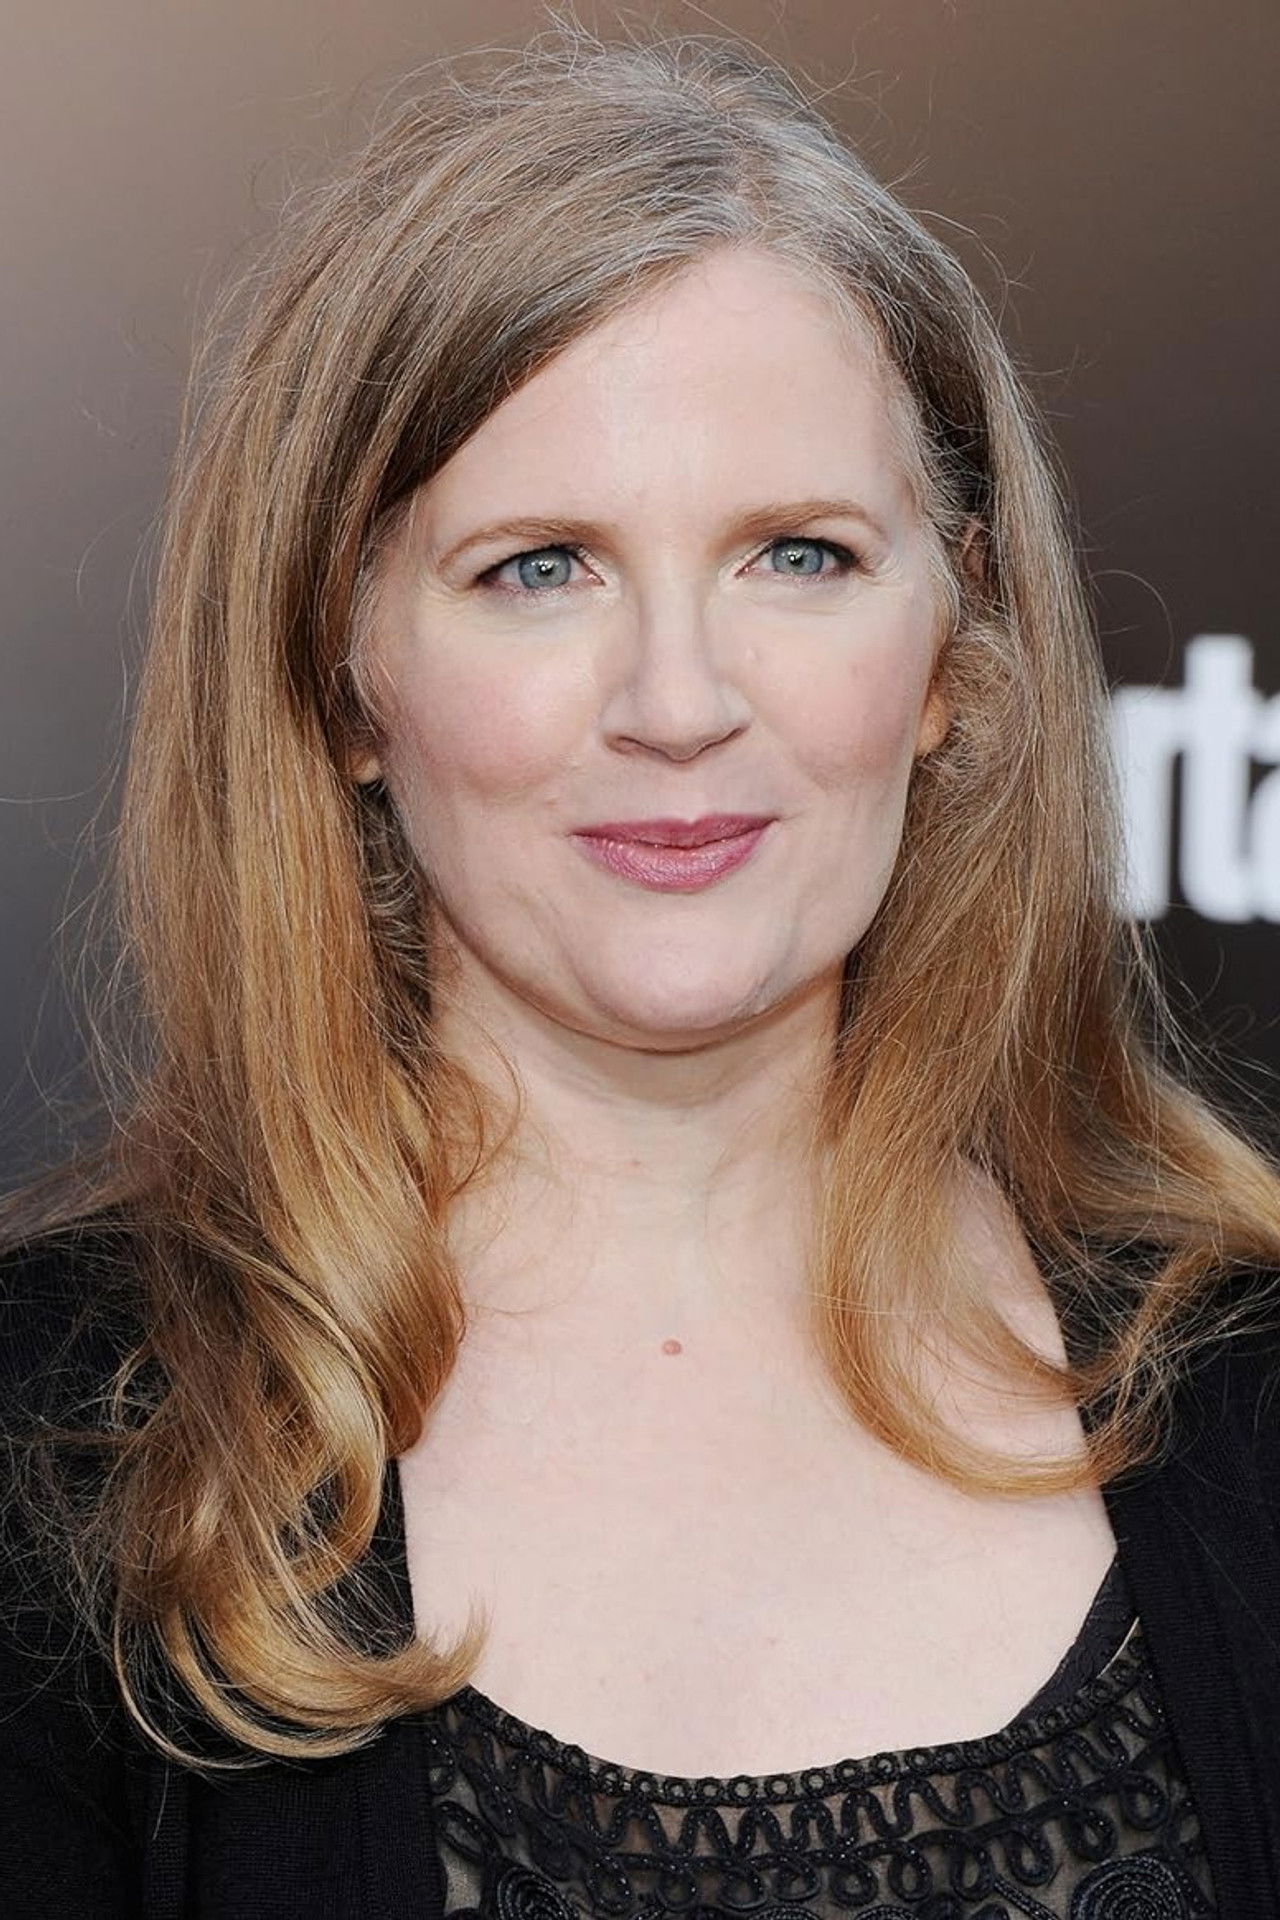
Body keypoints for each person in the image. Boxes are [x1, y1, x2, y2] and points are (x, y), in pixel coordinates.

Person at [3, 23, 1280, 1918]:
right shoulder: (54, 1455)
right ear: (344, 679)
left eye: (798, 556)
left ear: (955, 648)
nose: (679, 703)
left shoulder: (1247, 1383)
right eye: (541, 567)